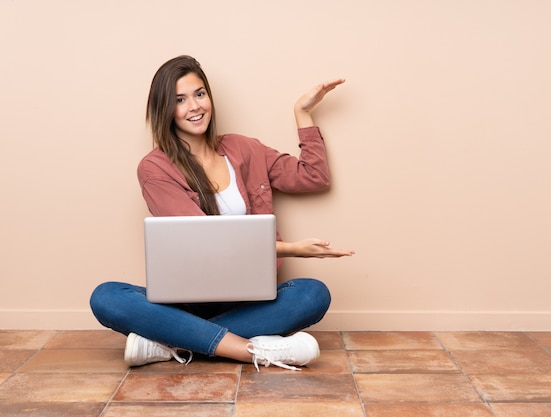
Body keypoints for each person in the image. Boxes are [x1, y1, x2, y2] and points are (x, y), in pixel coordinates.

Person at [89, 55, 354, 371]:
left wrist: (303, 112)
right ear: (165, 109)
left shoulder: (244, 149)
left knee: (312, 294)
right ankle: (251, 350)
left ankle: (170, 340)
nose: (194, 106)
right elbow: (207, 243)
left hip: (248, 298)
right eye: (180, 100)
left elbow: (313, 176)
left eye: (200, 94)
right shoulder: (155, 168)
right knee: (106, 296)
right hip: (188, 300)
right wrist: (294, 249)